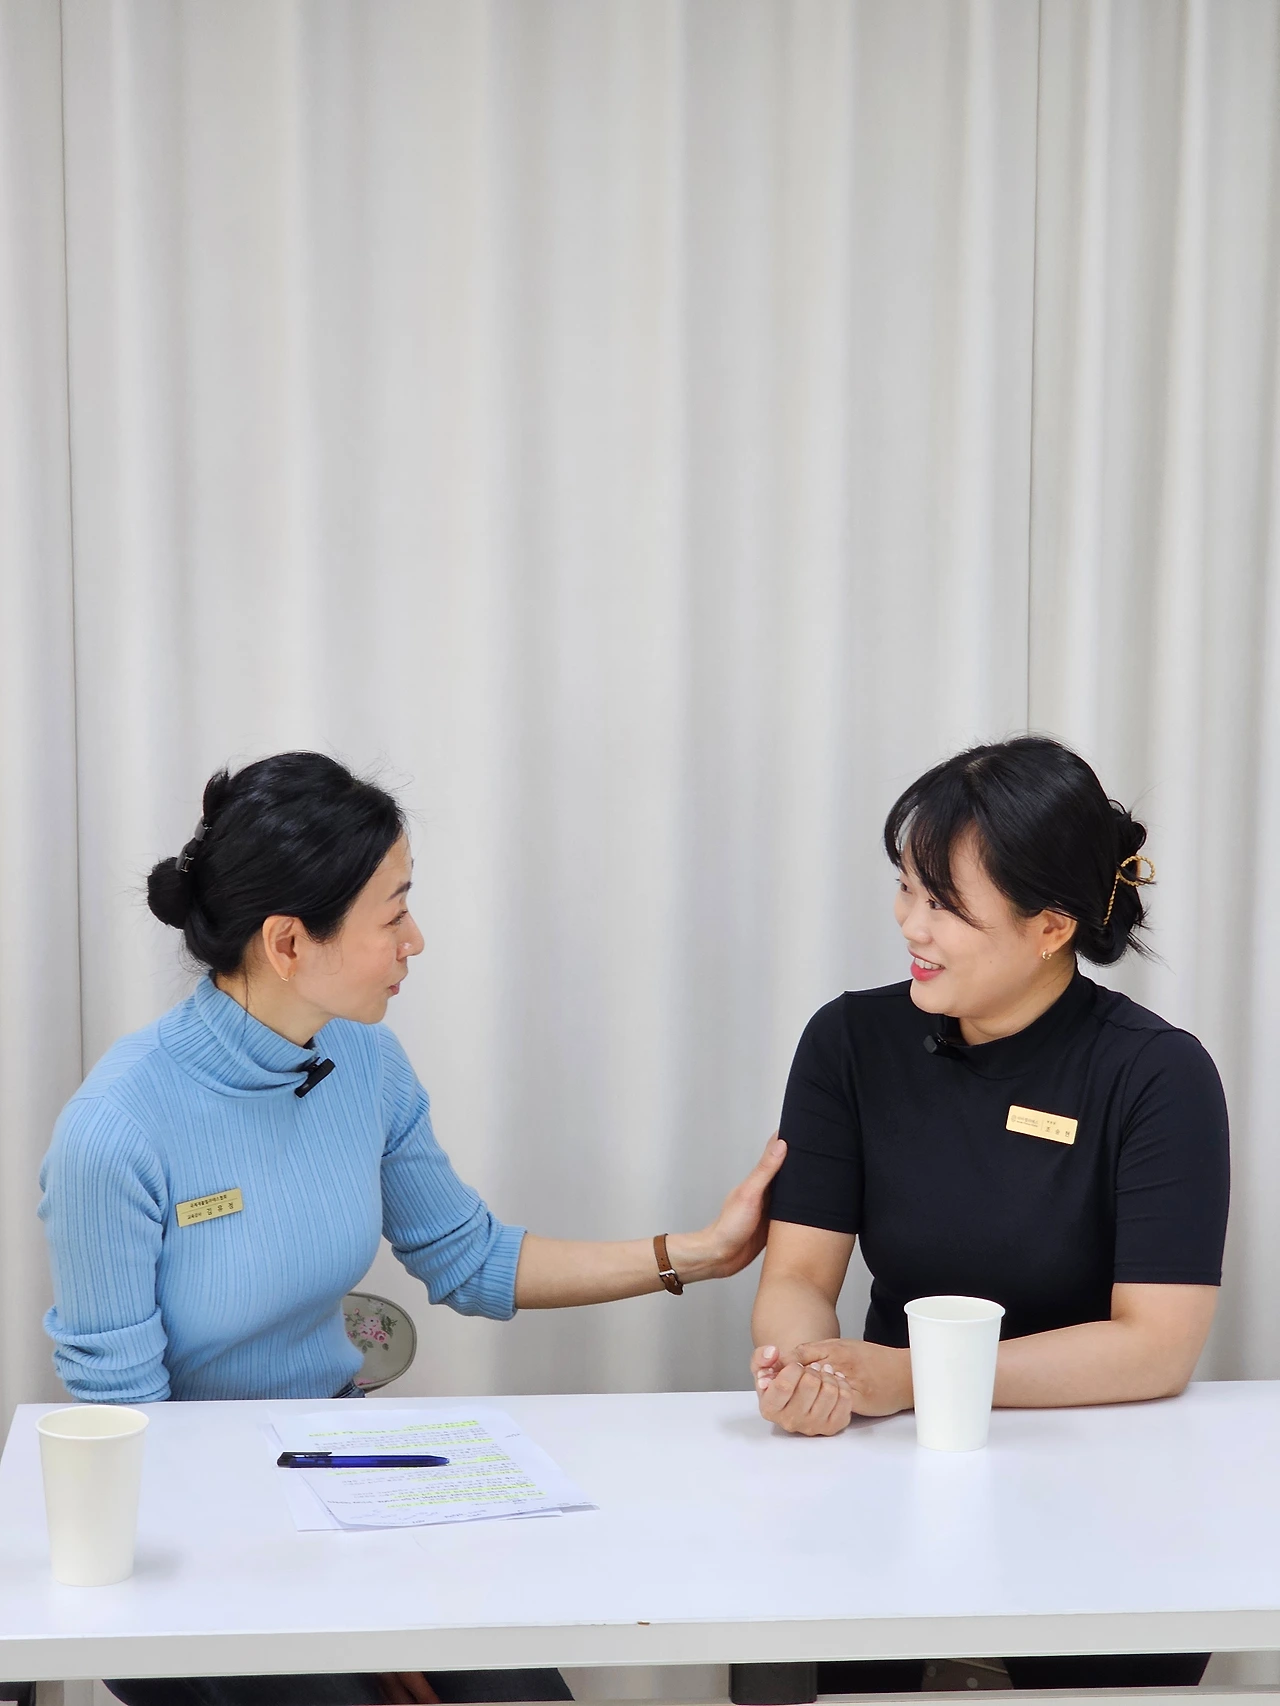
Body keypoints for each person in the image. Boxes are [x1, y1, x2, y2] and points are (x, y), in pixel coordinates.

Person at [40, 752, 785, 1706]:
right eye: (393, 913)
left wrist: (697, 1254)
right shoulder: (116, 1131)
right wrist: (354, 1616)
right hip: (192, 1539)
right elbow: (129, 1433)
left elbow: (469, 1257)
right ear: (288, 942)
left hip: (341, 1477)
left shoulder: (364, 1063)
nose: (416, 940)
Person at [747, 736, 1229, 1699]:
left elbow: (1156, 1346)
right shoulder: (850, 1041)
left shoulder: (1156, 1074)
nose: (910, 925)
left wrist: (912, 1379)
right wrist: (809, 1372)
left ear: (1050, 927)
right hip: (891, 1459)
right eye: (906, 889)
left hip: (1098, 1465)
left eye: (944, 904)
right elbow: (799, 1275)